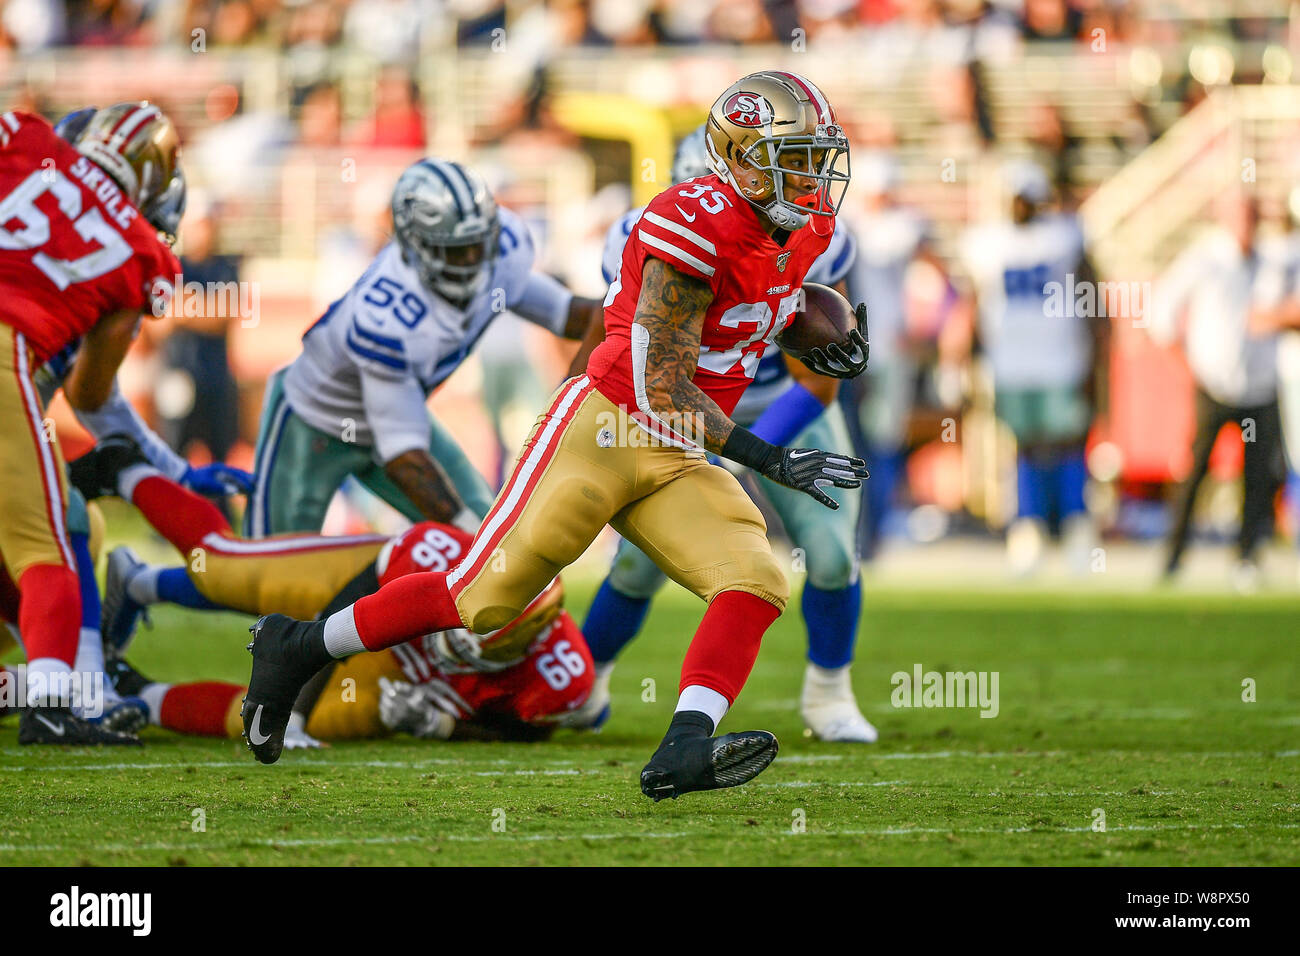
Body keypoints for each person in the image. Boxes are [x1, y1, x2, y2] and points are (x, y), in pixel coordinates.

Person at [239, 71, 870, 802]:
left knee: (755, 579)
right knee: (483, 599)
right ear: (743, 158)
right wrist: (769, 458)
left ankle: (684, 746)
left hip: (676, 452)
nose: (813, 175)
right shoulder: (693, 224)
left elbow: (759, 305)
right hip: (604, 428)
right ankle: (295, 646)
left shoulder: (807, 228)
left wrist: (812, 334)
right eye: (793, 157)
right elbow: (663, 383)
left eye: (817, 157)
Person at [574, 124, 876, 743]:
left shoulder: (806, 227)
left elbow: (816, 383)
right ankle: (581, 682)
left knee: (831, 552)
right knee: (636, 564)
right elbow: (604, 346)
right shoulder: (659, 234)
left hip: (784, 405)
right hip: (679, 412)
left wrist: (749, 454)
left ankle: (829, 693)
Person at [71, 439, 594, 745]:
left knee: (273, 720)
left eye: (472, 642)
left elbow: (525, 728)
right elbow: (344, 612)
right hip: (365, 585)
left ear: (525, 644)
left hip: (396, 664)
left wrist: (442, 725)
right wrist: (294, 707)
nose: (452, 647)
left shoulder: (562, 674)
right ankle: (124, 469)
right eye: (459, 625)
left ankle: (131, 693)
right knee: (223, 569)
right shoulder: (435, 553)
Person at [243, 158, 603, 538]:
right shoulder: (386, 318)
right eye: (456, 250)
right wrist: (462, 532)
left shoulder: (501, 253)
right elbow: (402, 458)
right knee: (270, 571)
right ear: (417, 245)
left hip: (402, 415)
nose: (472, 260)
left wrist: (624, 308)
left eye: (478, 244)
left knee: (493, 541)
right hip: (315, 420)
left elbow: (563, 312)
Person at [0, 102, 185, 744]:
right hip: (5, 351)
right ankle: (54, 702)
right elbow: (91, 393)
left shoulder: (27, 137)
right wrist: (172, 469)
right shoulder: (141, 253)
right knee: (47, 553)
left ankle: (64, 683)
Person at [957, 160, 1107, 575]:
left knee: (1067, 443)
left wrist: (1097, 356)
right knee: (1024, 445)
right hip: (1012, 363)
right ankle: (1029, 530)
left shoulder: (1067, 236)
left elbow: (1093, 298)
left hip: (1061, 359)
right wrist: (966, 360)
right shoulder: (987, 242)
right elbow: (972, 306)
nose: (1020, 206)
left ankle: (1075, 527)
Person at [1151, 191, 1288, 588]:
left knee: (1258, 476)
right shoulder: (1205, 260)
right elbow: (1161, 315)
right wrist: (1191, 368)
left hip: (1259, 389)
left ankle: (1246, 557)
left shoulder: (1272, 261)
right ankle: (1173, 556)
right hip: (1214, 388)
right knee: (1196, 473)